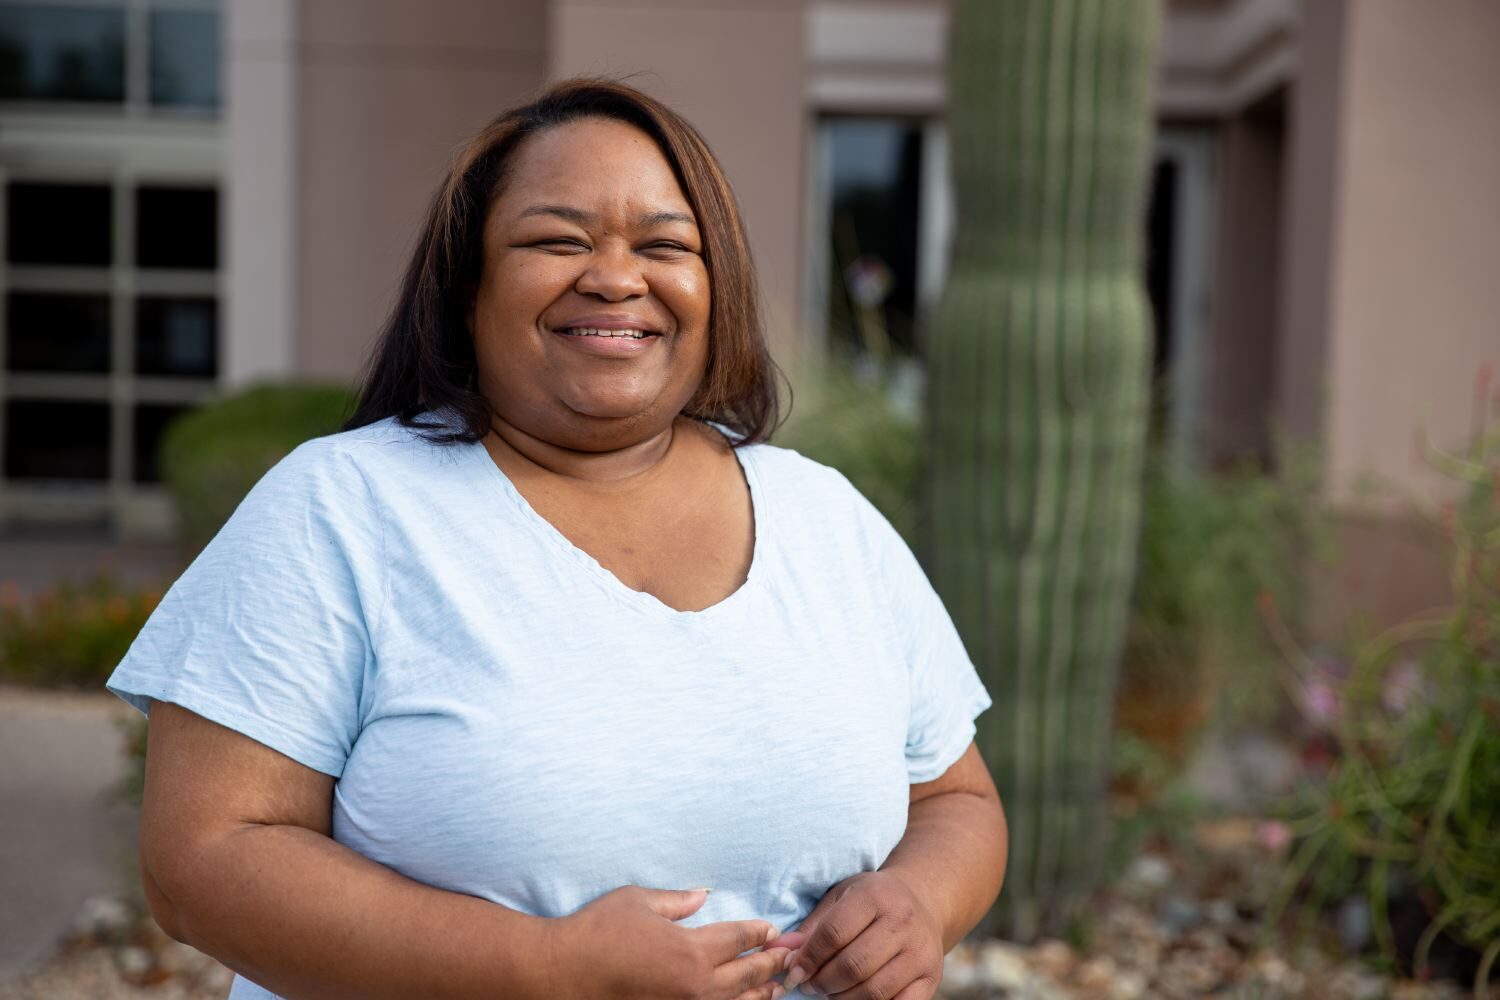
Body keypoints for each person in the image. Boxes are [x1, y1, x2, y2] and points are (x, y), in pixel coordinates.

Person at [106, 78, 1007, 1000]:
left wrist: (919, 902)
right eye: (557, 241)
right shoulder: (341, 510)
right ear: (468, 289)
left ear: (716, 289)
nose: (616, 278)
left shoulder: (828, 520)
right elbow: (198, 861)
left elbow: (956, 800)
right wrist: (546, 969)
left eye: (665, 246)